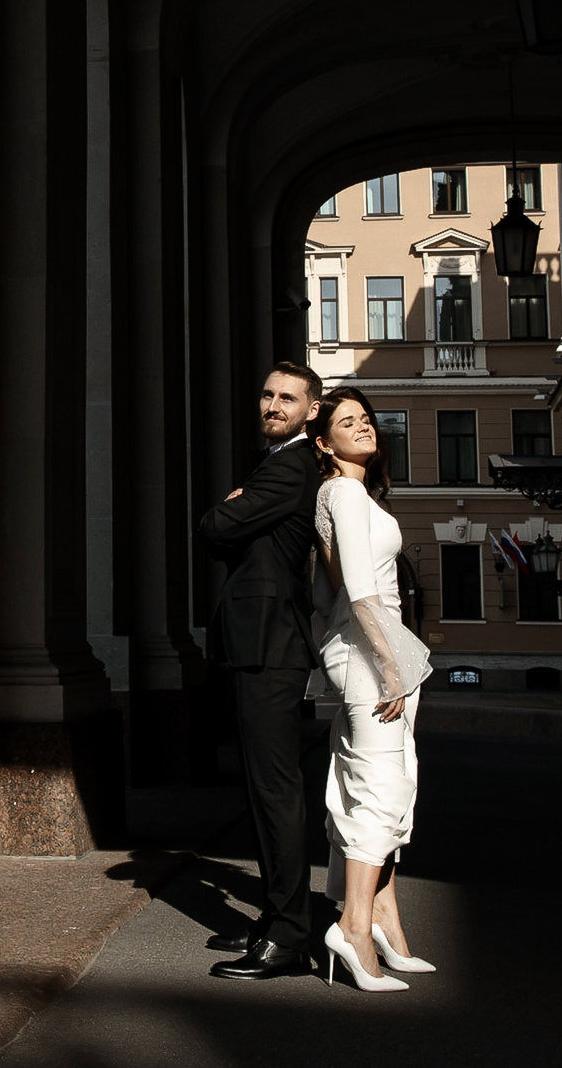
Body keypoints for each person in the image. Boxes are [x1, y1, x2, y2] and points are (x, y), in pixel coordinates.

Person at [196, 362, 325, 979]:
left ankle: (292, 936)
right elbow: (226, 538)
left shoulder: (291, 466)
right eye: (268, 394)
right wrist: (234, 514)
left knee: (276, 793)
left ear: (312, 410)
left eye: (288, 398)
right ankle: (276, 919)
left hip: (273, 645)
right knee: (264, 791)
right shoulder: (275, 464)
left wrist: (232, 508)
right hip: (260, 643)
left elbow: (216, 528)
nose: (273, 405)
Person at [307, 387, 435, 992]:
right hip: (371, 652)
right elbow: (358, 590)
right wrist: (390, 670)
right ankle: (354, 926)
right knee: (383, 789)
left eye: (366, 419)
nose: (363, 427)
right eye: (346, 421)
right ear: (323, 441)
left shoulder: (348, 495)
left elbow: (339, 581)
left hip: (374, 647)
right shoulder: (344, 493)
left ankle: (384, 919)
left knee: (376, 782)